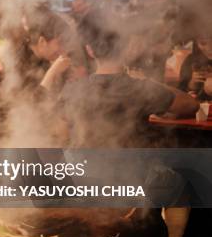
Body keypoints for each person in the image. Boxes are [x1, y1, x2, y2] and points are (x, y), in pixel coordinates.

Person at [60, 27, 199, 148]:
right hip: (132, 171)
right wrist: (147, 82)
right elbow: (191, 105)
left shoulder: (72, 90)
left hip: (82, 172)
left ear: (89, 50)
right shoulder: (139, 88)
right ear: (126, 48)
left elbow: (58, 130)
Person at [179, 30, 212, 100]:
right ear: (197, 43)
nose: (210, 48)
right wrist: (192, 84)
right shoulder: (191, 60)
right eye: (203, 43)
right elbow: (181, 92)